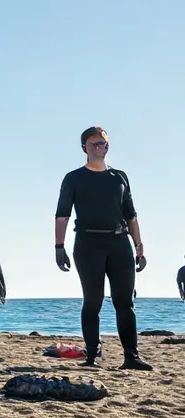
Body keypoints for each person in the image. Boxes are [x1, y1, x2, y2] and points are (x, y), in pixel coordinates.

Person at [55, 126, 151, 370]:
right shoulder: (73, 178)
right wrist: (59, 246)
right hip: (88, 244)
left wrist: (139, 246)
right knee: (93, 300)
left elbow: (131, 215)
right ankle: (92, 355)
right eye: (95, 143)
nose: (101, 147)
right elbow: (62, 215)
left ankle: (131, 356)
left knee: (124, 301)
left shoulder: (120, 177)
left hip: (120, 243)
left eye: (104, 143)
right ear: (84, 148)